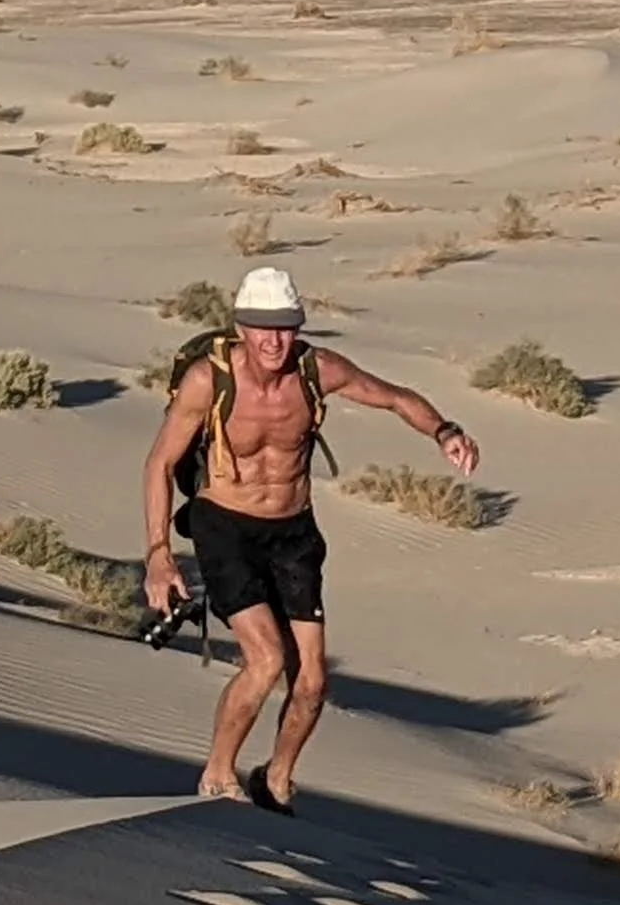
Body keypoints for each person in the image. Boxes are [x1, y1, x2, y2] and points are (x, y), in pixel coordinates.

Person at [142, 266, 477, 814]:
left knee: (313, 682)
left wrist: (444, 431)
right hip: (224, 526)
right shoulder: (209, 380)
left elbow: (393, 397)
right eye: (262, 327)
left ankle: (275, 780)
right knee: (266, 659)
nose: (274, 340)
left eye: (285, 326)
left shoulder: (318, 371)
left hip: (293, 533)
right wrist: (159, 555)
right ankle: (217, 775)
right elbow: (159, 463)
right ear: (241, 328)